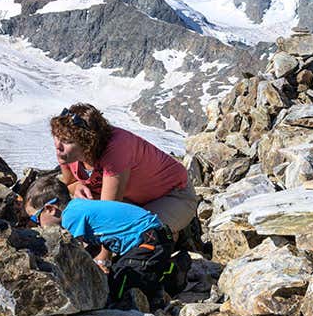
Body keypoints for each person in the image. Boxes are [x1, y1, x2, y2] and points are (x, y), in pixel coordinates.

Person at [24, 175, 187, 303]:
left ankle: (172, 272)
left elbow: (73, 252)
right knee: (123, 274)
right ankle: (164, 268)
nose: (37, 225)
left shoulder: (70, 216)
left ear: (50, 209)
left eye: (35, 219)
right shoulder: (78, 207)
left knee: (121, 287)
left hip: (149, 241)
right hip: (152, 238)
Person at [51, 103, 198, 234]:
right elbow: (70, 183)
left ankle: (175, 236)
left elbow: (108, 215)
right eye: (57, 136)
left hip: (173, 196)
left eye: (67, 141)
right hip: (132, 198)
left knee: (137, 236)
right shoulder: (66, 153)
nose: (58, 145)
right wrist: (79, 186)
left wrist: (103, 260)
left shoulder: (117, 149)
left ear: (87, 143)